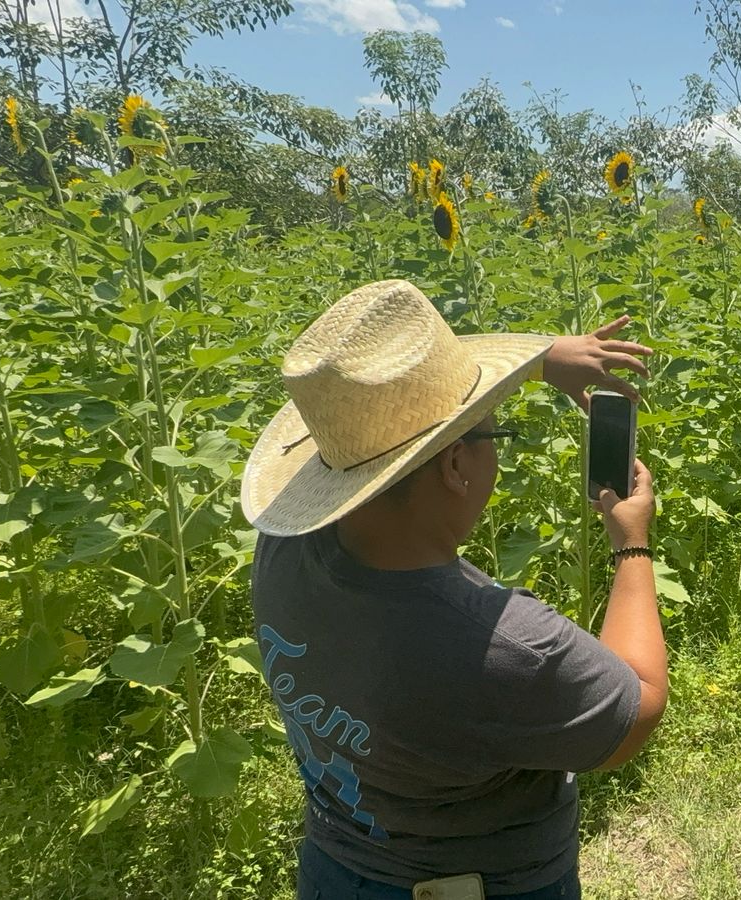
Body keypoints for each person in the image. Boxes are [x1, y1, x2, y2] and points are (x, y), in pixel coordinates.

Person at [240, 279, 667, 900]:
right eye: (489, 432)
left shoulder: (284, 547)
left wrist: (542, 359)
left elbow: (386, 395)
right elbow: (638, 707)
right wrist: (632, 543)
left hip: (335, 867)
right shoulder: (504, 646)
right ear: (457, 467)